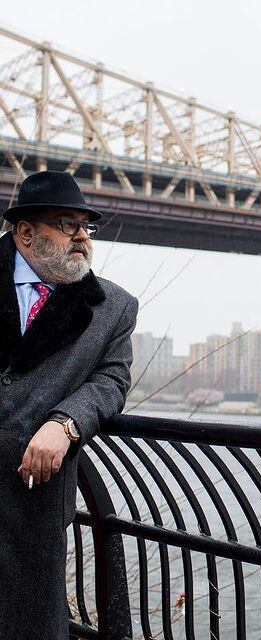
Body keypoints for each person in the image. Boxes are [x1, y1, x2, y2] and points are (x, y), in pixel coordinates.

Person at [0, 170, 138, 638]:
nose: (82, 236)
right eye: (66, 223)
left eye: (86, 226)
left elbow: (113, 378)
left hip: (31, 496)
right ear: (25, 232)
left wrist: (65, 423)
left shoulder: (115, 307)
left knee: (30, 625)